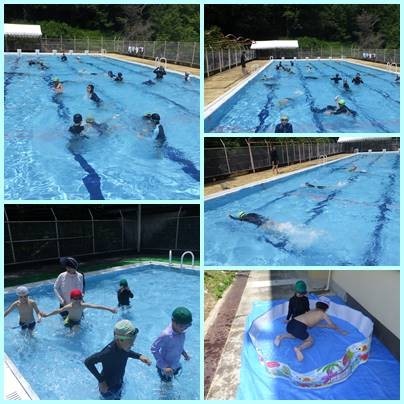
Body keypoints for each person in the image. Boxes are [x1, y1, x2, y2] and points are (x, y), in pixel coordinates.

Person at [84, 320, 151, 399]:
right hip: (108, 388)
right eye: (130, 342)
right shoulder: (107, 353)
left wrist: (139, 356)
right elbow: (88, 362)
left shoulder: (123, 347)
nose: (133, 344)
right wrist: (101, 381)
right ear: (119, 340)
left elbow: (126, 352)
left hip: (119, 382)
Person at [274, 296, 347, 361]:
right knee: (311, 341)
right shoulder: (323, 314)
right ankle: (298, 349)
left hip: (291, 324)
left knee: (294, 335)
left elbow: (312, 324)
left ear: (317, 305)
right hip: (299, 327)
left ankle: (281, 336)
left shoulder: (311, 310)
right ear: (326, 308)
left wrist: (325, 326)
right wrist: (340, 331)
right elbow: (332, 325)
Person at [151, 307, 192, 383]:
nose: (184, 329)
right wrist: (164, 366)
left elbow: (179, 345)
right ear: (173, 321)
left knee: (175, 380)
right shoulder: (166, 335)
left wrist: (184, 354)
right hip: (165, 368)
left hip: (175, 364)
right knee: (166, 386)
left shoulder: (181, 331)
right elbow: (154, 349)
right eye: (182, 326)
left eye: (187, 326)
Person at [43, 289, 117, 329]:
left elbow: (96, 306)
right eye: (75, 299)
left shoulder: (83, 305)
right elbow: (58, 311)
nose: (78, 300)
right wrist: (47, 315)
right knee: (74, 331)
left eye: (79, 298)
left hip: (77, 322)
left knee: (75, 330)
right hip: (68, 321)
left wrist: (110, 309)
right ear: (71, 299)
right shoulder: (69, 306)